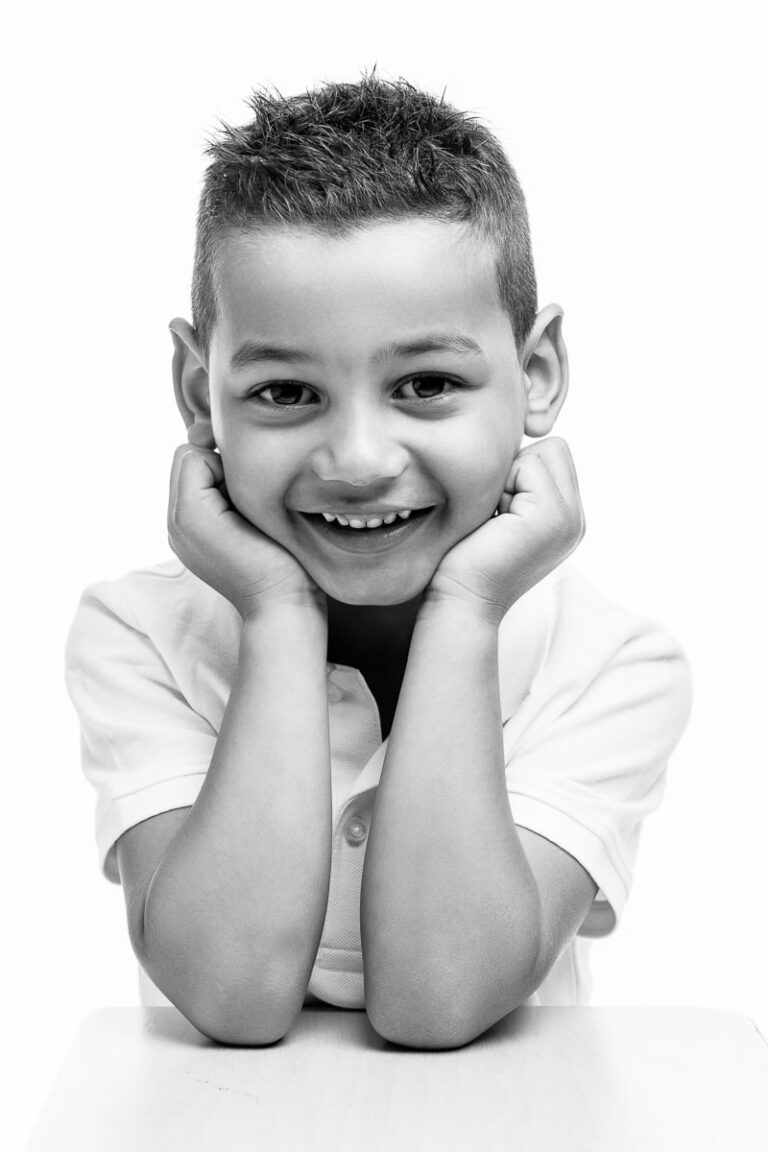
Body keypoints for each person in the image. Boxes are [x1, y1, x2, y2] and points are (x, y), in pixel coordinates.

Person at [65, 75, 691, 1050]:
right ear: (198, 390)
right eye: (285, 393)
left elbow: (440, 1001)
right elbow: (230, 994)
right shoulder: (138, 635)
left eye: (426, 383)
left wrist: (468, 609)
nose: (357, 461)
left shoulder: (611, 665)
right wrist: (275, 614)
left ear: (536, 373)